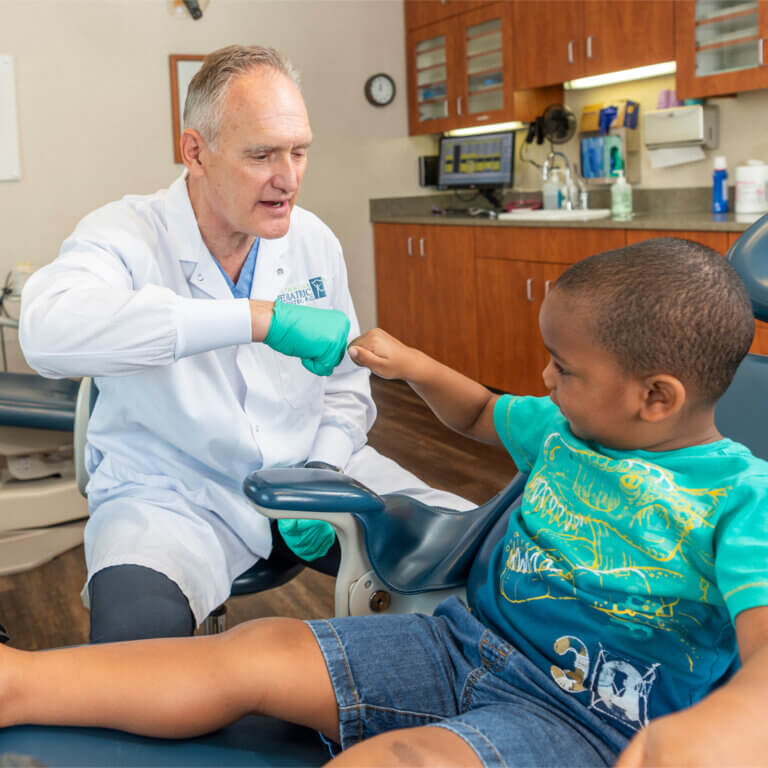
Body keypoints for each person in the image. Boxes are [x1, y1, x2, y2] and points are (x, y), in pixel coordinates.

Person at [5, 238, 767, 767]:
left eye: (564, 369)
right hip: (459, 644)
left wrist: (719, 730)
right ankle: (19, 682)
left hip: (576, 722)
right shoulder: (565, 429)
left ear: (654, 397)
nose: (543, 379)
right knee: (259, 648)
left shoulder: (741, 501)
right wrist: (411, 365)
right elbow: (475, 412)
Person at [18, 45, 471, 643]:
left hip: (315, 468)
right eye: (262, 155)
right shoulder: (126, 233)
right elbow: (47, 332)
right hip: (170, 492)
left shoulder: (313, 241)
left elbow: (344, 391)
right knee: (136, 649)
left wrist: (322, 467)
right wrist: (255, 318)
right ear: (195, 150)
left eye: (299, 150)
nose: (288, 178)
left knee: (480, 563)